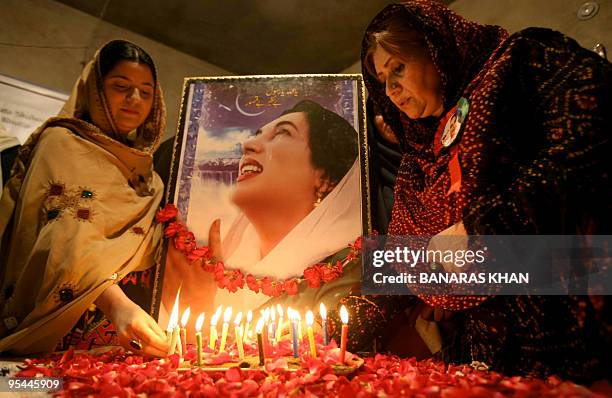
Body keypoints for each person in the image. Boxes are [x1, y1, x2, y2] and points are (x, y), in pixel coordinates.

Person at [362, 1, 611, 381]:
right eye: (382, 81)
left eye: (398, 67)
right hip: (491, 358)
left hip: (577, 337)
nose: (392, 89)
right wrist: (346, 317)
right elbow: (404, 258)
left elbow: (595, 128)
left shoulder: (519, 64)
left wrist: (485, 226)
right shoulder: (419, 160)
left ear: (437, 47)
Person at [0, 40, 169, 357]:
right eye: (121, 86)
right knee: (39, 386)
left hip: (120, 337)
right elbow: (62, 235)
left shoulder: (148, 176)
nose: (135, 100)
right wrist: (116, 305)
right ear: (95, 88)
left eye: (146, 92)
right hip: (53, 327)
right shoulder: (62, 142)